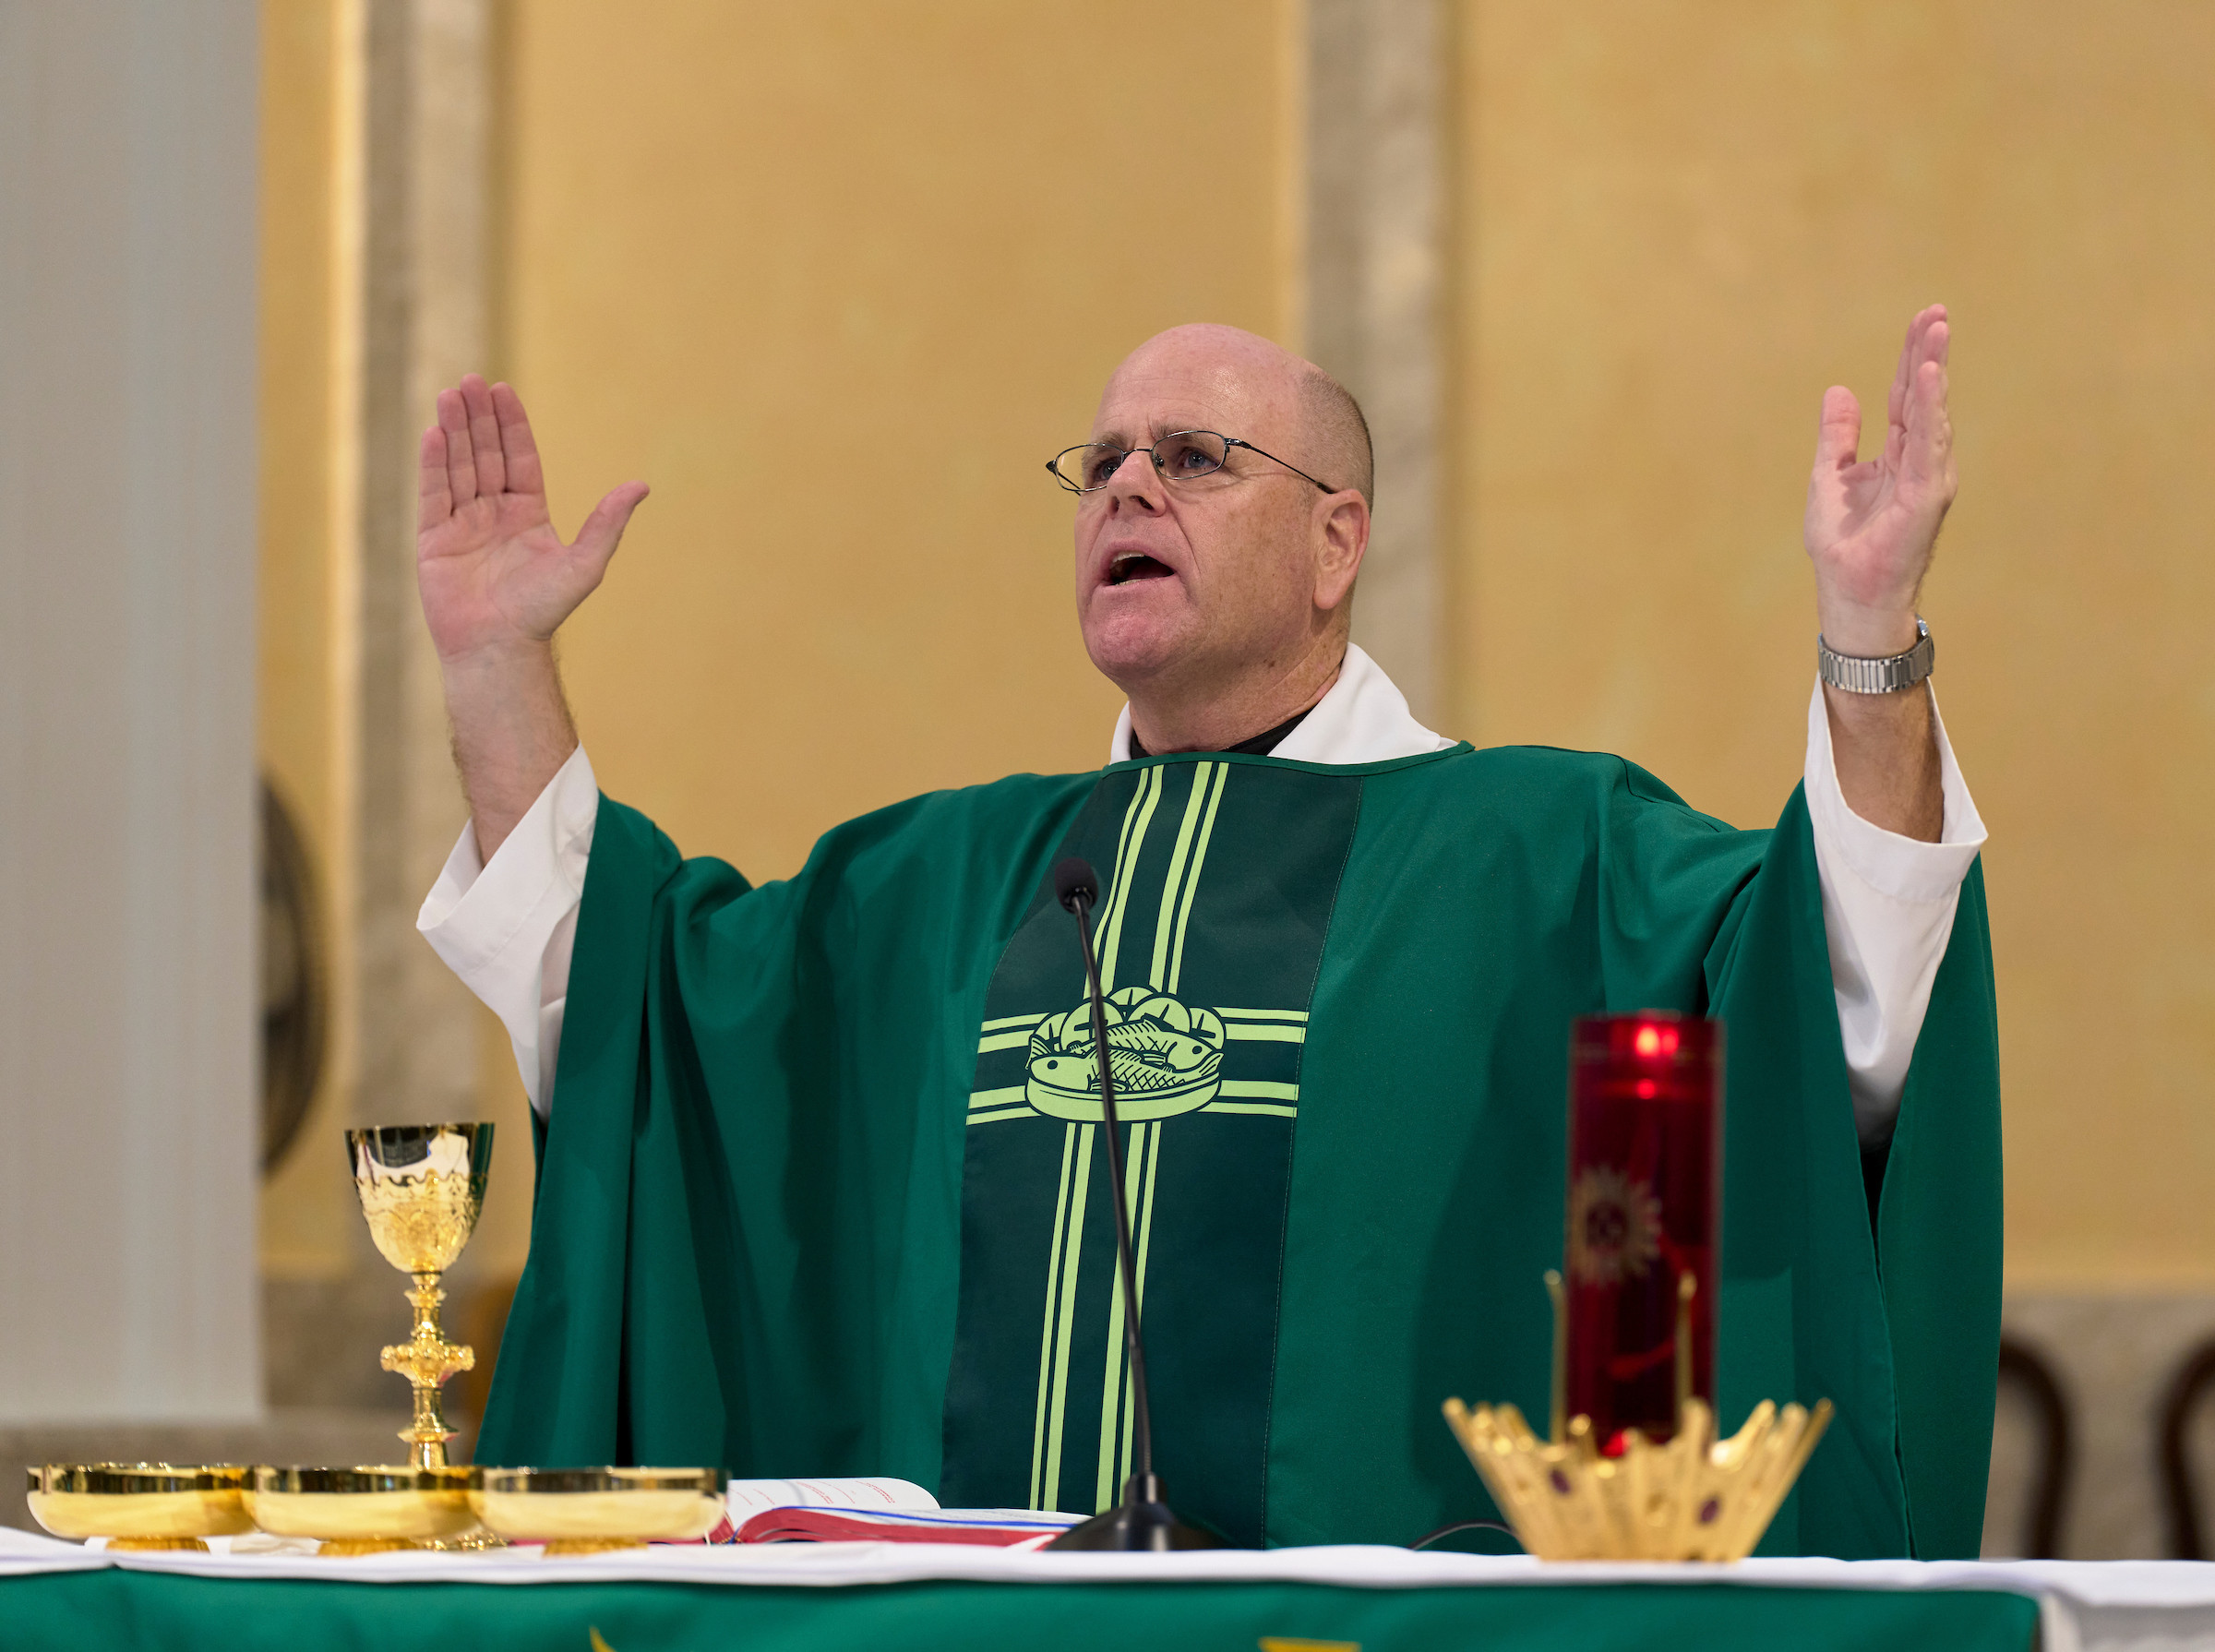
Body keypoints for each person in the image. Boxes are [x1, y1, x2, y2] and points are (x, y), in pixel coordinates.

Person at [417, 315, 1995, 1555]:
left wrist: (1870, 641)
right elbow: (633, 1011)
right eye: (1100, 459)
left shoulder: (1547, 854)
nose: (1126, 485)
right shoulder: (944, 881)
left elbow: (1838, 986)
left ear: (1338, 544)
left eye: (1194, 453)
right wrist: (495, 668)